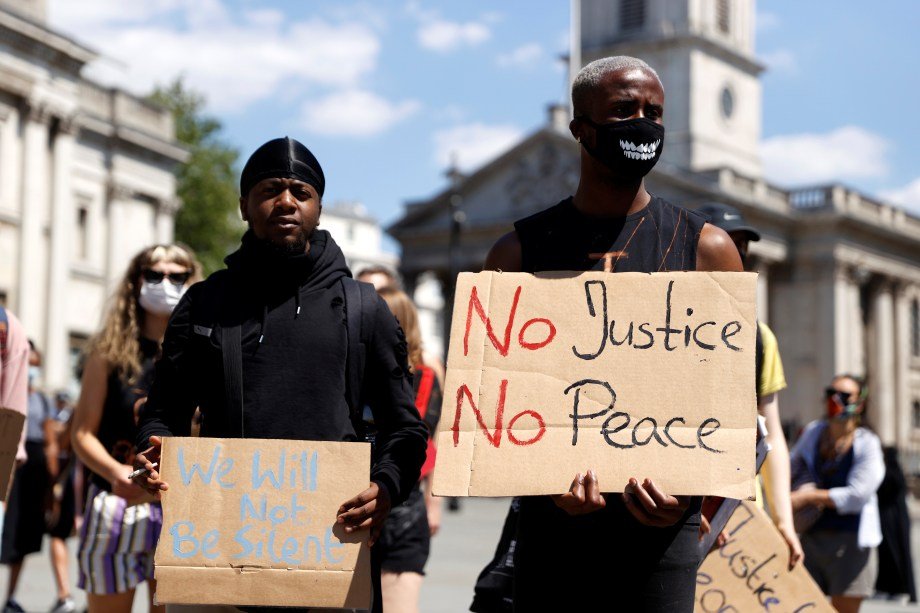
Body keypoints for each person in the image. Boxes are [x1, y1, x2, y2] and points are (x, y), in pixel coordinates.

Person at [483, 55, 743, 611]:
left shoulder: (710, 251)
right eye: (624, 110)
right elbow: (494, 403)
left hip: (661, 538)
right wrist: (542, 478)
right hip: (552, 535)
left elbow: (731, 405)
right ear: (580, 129)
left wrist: (696, 504)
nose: (643, 122)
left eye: (655, 112)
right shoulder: (516, 255)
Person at [132, 137, 428, 612]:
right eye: (271, 189)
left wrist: (387, 487)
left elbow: (407, 428)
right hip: (217, 559)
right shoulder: (205, 304)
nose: (286, 201)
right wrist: (153, 449)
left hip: (329, 558)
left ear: (318, 208)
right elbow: (162, 412)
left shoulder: (363, 309)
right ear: (245, 205)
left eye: (301, 192)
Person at [71, 244, 202, 613]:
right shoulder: (108, 351)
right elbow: (81, 433)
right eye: (154, 274)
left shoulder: (203, 351)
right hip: (118, 502)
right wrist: (117, 474)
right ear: (136, 281)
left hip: (180, 508)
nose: (165, 283)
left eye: (177, 276)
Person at [697, 203, 804, 568]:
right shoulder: (657, 329)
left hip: (741, 514)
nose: (736, 255)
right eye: (725, 242)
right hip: (675, 513)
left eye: (742, 247)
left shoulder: (760, 338)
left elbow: (771, 434)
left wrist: (784, 521)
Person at [373, 287, 442, 613]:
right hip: (402, 502)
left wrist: (434, 502)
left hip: (398, 505)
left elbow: (434, 442)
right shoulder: (425, 373)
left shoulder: (426, 374)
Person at [790, 375, 884, 613]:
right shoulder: (814, 432)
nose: (835, 400)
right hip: (812, 538)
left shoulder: (867, 443)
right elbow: (791, 466)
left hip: (851, 544)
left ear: (859, 403)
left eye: (843, 396)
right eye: (831, 392)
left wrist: (808, 497)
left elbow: (857, 495)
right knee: (805, 605)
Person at [2, 341, 59, 613]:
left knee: (22, 535)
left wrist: (52, 485)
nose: (31, 370)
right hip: (7, 461)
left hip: (32, 470)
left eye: (36, 365)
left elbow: (50, 442)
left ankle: (10, 597)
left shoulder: (43, 400)